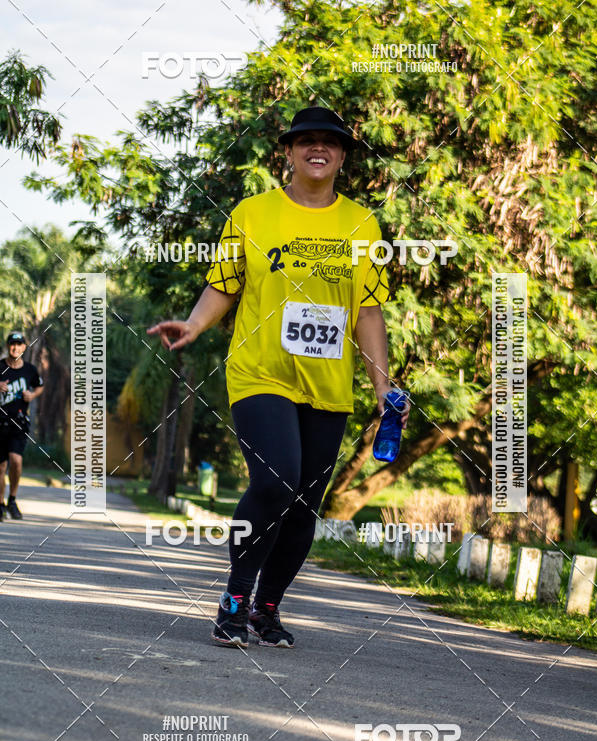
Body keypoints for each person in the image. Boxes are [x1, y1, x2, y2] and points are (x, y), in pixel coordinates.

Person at [147, 106, 410, 648]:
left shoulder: (361, 224)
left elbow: (368, 310)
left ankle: (268, 610)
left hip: (328, 385)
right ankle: (236, 598)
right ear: (288, 151)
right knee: (276, 480)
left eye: (330, 142)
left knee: (305, 503)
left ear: (342, 156)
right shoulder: (252, 212)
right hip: (259, 371)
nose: (319, 149)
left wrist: (381, 383)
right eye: (306, 140)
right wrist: (195, 325)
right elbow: (225, 283)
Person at [0, 331, 44, 520]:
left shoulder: (30, 370)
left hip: (19, 424)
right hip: (0, 424)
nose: (15, 347)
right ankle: (0, 504)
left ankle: (12, 499)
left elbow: (39, 385)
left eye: (19, 344)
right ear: (8, 346)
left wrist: (32, 395)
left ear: (24, 347)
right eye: (12, 344)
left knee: (16, 461)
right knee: (1, 466)